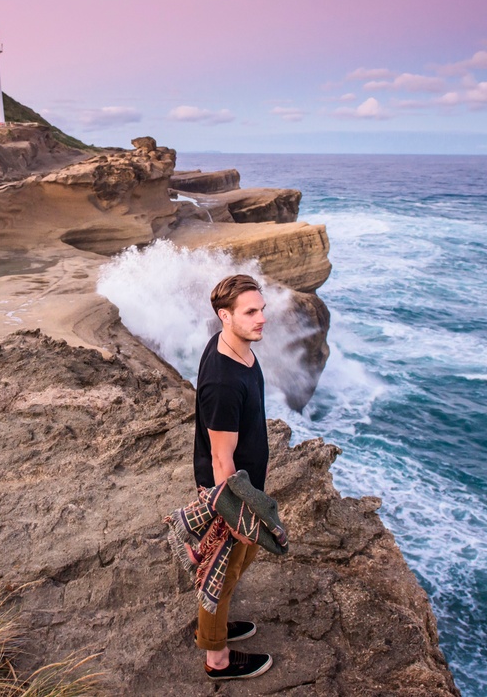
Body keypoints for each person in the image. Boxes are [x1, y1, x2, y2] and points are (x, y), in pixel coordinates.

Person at [191, 274, 272, 680]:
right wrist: (234, 515)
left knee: (235, 565)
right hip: (231, 492)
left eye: (262, 309)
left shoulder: (235, 346)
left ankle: (214, 628)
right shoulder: (223, 382)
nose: (262, 319)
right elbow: (221, 457)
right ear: (225, 316)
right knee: (221, 574)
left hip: (247, 485)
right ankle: (217, 658)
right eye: (251, 312)